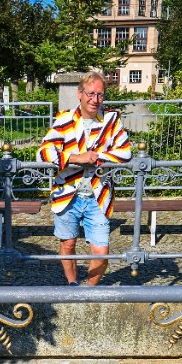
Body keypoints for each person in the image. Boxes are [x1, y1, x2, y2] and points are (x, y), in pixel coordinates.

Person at [37, 71, 132, 286]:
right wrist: (76, 158)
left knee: (101, 252)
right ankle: (72, 284)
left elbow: (125, 153)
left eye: (100, 94)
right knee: (68, 244)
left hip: (99, 194)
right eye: (90, 93)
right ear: (80, 94)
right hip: (67, 193)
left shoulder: (111, 120)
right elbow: (43, 153)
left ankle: (89, 290)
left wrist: (97, 157)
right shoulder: (65, 119)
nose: (95, 99)